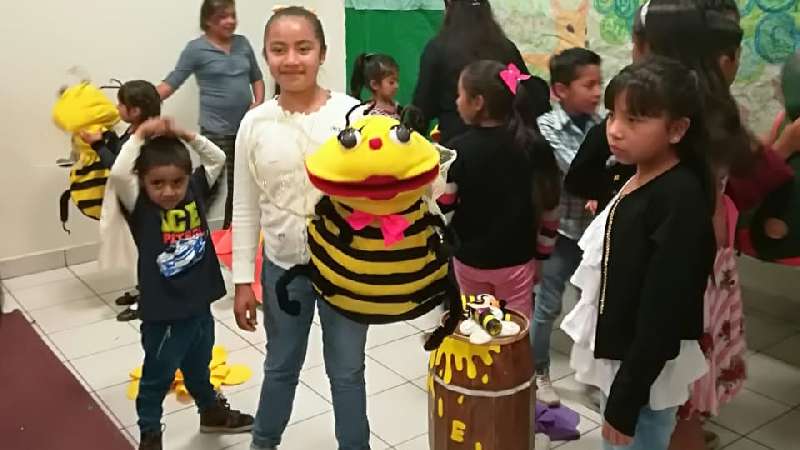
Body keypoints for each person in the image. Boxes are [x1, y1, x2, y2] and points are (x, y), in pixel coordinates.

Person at [231, 6, 370, 450]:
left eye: (303, 48)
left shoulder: (353, 115)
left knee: (347, 371)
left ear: (322, 53)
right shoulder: (254, 122)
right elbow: (245, 206)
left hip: (346, 270)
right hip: (281, 269)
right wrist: (241, 280)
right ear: (267, 56)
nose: (291, 60)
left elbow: (376, 196)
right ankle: (263, 442)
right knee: (281, 365)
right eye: (278, 49)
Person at [561, 56, 716, 450]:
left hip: (644, 368)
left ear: (678, 129)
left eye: (635, 120)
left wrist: (627, 397)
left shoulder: (679, 199)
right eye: (613, 114)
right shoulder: (636, 172)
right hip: (625, 357)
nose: (614, 130)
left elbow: (662, 310)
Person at [108, 117, 253, 450]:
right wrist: (141, 135)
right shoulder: (140, 206)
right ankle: (150, 434)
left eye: (177, 181)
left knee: (199, 367)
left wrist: (186, 135)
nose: (169, 191)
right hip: (164, 313)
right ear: (142, 182)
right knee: (157, 377)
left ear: (188, 178)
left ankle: (212, 414)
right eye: (157, 183)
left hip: (199, 304)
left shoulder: (195, 190)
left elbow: (217, 158)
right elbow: (118, 173)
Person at [437, 60, 561, 318]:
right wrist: (542, 256)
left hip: (470, 261)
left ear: (478, 102)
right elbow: (550, 208)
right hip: (518, 261)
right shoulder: (535, 146)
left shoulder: (459, 149)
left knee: (477, 328)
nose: (456, 101)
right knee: (514, 334)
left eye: (460, 94)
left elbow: (445, 208)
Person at [532, 47, 603, 406]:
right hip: (559, 231)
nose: (597, 92)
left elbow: (615, 168)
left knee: (591, 303)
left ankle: (591, 375)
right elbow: (574, 168)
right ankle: (538, 369)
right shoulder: (546, 126)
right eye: (588, 84)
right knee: (547, 305)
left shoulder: (600, 124)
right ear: (560, 90)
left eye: (599, 83)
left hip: (594, 232)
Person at [157, 0, 265, 229]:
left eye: (232, 15)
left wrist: (258, 102)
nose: (230, 21)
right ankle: (189, 229)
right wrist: (143, 100)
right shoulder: (196, 49)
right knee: (210, 186)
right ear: (208, 20)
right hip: (215, 130)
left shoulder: (242, 44)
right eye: (223, 17)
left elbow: (256, 77)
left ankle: (231, 233)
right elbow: (172, 82)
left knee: (240, 189)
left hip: (245, 128)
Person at [411, 0, 550, 145]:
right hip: (508, 142)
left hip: (457, 144)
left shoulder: (437, 48)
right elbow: (526, 93)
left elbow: (423, 108)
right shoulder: (506, 47)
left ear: (450, 7)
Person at [81, 80, 162, 322]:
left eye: (121, 105)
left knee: (147, 253)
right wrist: (106, 137)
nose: (117, 108)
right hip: (131, 203)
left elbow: (117, 166)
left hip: (144, 205)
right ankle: (143, 289)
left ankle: (148, 300)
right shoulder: (133, 131)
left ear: (135, 111)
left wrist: (96, 145)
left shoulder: (145, 136)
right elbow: (120, 151)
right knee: (139, 250)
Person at [349, 52, 402, 119]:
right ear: (375, 85)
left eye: (397, 81)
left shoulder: (399, 110)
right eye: (391, 82)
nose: (396, 86)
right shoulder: (365, 114)